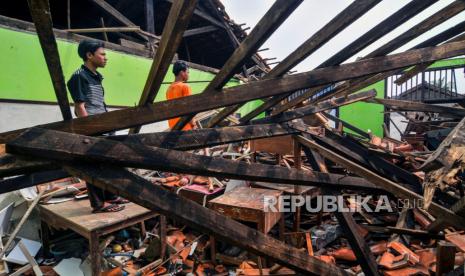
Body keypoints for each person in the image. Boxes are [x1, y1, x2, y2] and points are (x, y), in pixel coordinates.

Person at [67, 40, 128, 213]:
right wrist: (89, 130)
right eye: (102, 54)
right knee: (93, 165)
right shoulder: (79, 76)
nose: (105, 58)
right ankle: (98, 204)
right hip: (93, 129)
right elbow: (79, 107)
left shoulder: (95, 76)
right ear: (89, 55)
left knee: (107, 162)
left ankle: (110, 197)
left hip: (103, 127)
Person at [166, 60, 196, 131]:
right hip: (185, 127)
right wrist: (193, 124)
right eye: (187, 72)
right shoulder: (185, 87)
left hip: (173, 127)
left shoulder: (169, 89)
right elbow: (188, 108)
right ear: (182, 73)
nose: (188, 75)